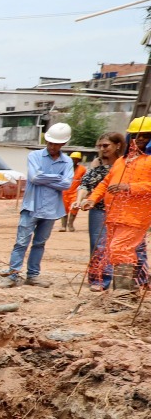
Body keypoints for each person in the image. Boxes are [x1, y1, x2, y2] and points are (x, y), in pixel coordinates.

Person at [2, 122, 73, 287]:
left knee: (39, 243)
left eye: (56, 143)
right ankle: (12, 275)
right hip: (31, 207)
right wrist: (57, 178)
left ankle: (33, 276)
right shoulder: (34, 156)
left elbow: (67, 184)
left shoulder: (67, 162)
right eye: (50, 142)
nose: (52, 146)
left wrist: (45, 177)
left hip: (51, 210)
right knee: (21, 242)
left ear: (63, 143)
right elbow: (34, 178)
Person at [91, 118, 151, 298]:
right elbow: (105, 183)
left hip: (136, 216)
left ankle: (123, 292)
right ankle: (124, 289)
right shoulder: (121, 162)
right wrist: (92, 200)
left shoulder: (149, 161)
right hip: (114, 215)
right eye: (136, 136)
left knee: (120, 248)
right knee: (115, 251)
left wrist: (130, 187)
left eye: (145, 136)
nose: (139, 139)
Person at [76, 133, 128, 290]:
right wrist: (79, 200)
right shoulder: (96, 163)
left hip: (122, 209)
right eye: (100, 146)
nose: (102, 149)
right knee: (98, 245)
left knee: (120, 245)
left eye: (106, 145)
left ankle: (127, 281)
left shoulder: (125, 163)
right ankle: (99, 279)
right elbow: (86, 184)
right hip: (98, 209)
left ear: (118, 145)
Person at [62, 151, 85, 231]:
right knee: (64, 209)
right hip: (64, 192)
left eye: (76, 159)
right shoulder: (65, 168)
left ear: (79, 160)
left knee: (74, 208)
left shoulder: (82, 169)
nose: (74, 161)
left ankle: (70, 224)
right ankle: (63, 226)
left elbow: (85, 181)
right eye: (73, 159)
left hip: (75, 192)